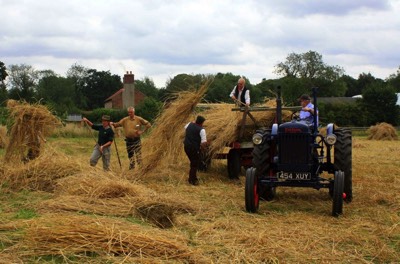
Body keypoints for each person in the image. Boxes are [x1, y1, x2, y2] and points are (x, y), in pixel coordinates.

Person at [183, 115, 207, 186]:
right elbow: (203, 143)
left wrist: (192, 123)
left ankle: (194, 178)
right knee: (194, 164)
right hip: (194, 148)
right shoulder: (202, 130)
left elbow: (185, 127)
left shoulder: (189, 124)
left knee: (193, 162)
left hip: (186, 147)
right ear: (202, 122)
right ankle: (192, 180)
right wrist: (203, 150)